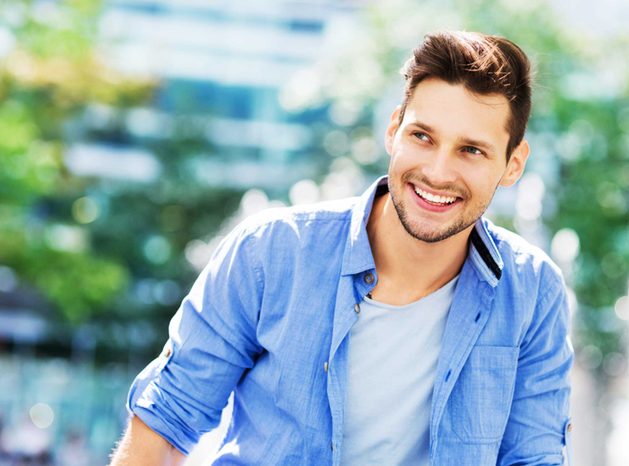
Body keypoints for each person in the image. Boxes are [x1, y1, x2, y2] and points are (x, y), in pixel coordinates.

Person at [110, 30, 574, 465]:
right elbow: (164, 424)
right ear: (394, 130)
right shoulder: (270, 253)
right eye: (422, 136)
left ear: (513, 164)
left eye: (471, 150)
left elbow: (532, 457)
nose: (437, 171)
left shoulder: (532, 292)